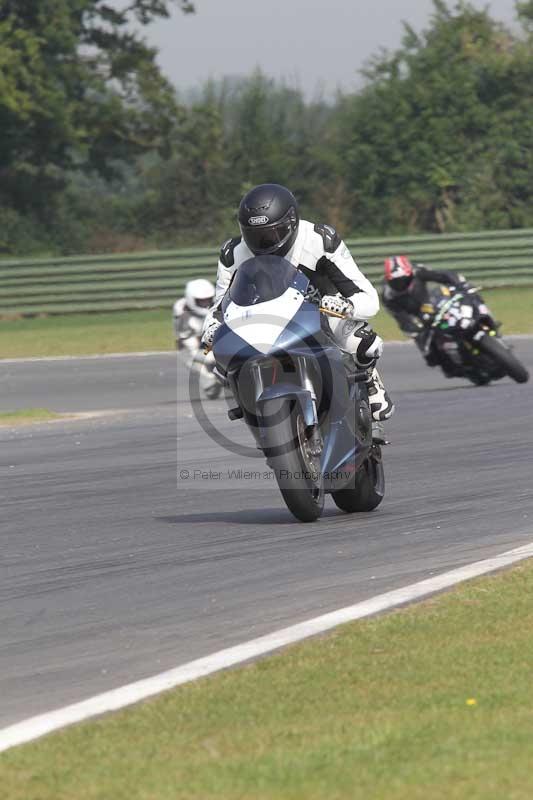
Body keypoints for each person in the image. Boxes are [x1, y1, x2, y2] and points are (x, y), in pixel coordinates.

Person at [201, 183, 394, 422]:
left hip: (320, 313)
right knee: (221, 358)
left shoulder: (320, 240)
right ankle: (254, 411)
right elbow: (220, 306)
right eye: (255, 236)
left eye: (271, 234)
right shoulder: (233, 253)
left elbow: (367, 296)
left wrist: (346, 306)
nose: (263, 244)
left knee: (364, 341)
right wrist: (211, 328)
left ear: (291, 223)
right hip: (264, 320)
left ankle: (368, 379)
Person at [382, 255, 468, 372]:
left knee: (461, 301)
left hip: (431, 302)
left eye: (404, 279)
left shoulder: (418, 271)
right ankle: (449, 363)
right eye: (395, 281)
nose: (401, 283)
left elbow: (442, 275)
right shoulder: (388, 295)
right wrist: (415, 328)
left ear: (410, 273)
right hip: (415, 316)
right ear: (388, 280)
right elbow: (401, 317)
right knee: (429, 354)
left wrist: (458, 283)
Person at [173, 278, 215, 354]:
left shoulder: (217, 307)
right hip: (195, 345)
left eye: (208, 300)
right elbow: (184, 338)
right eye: (202, 301)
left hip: (211, 340)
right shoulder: (182, 313)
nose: (206, 304)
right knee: (192, 345)